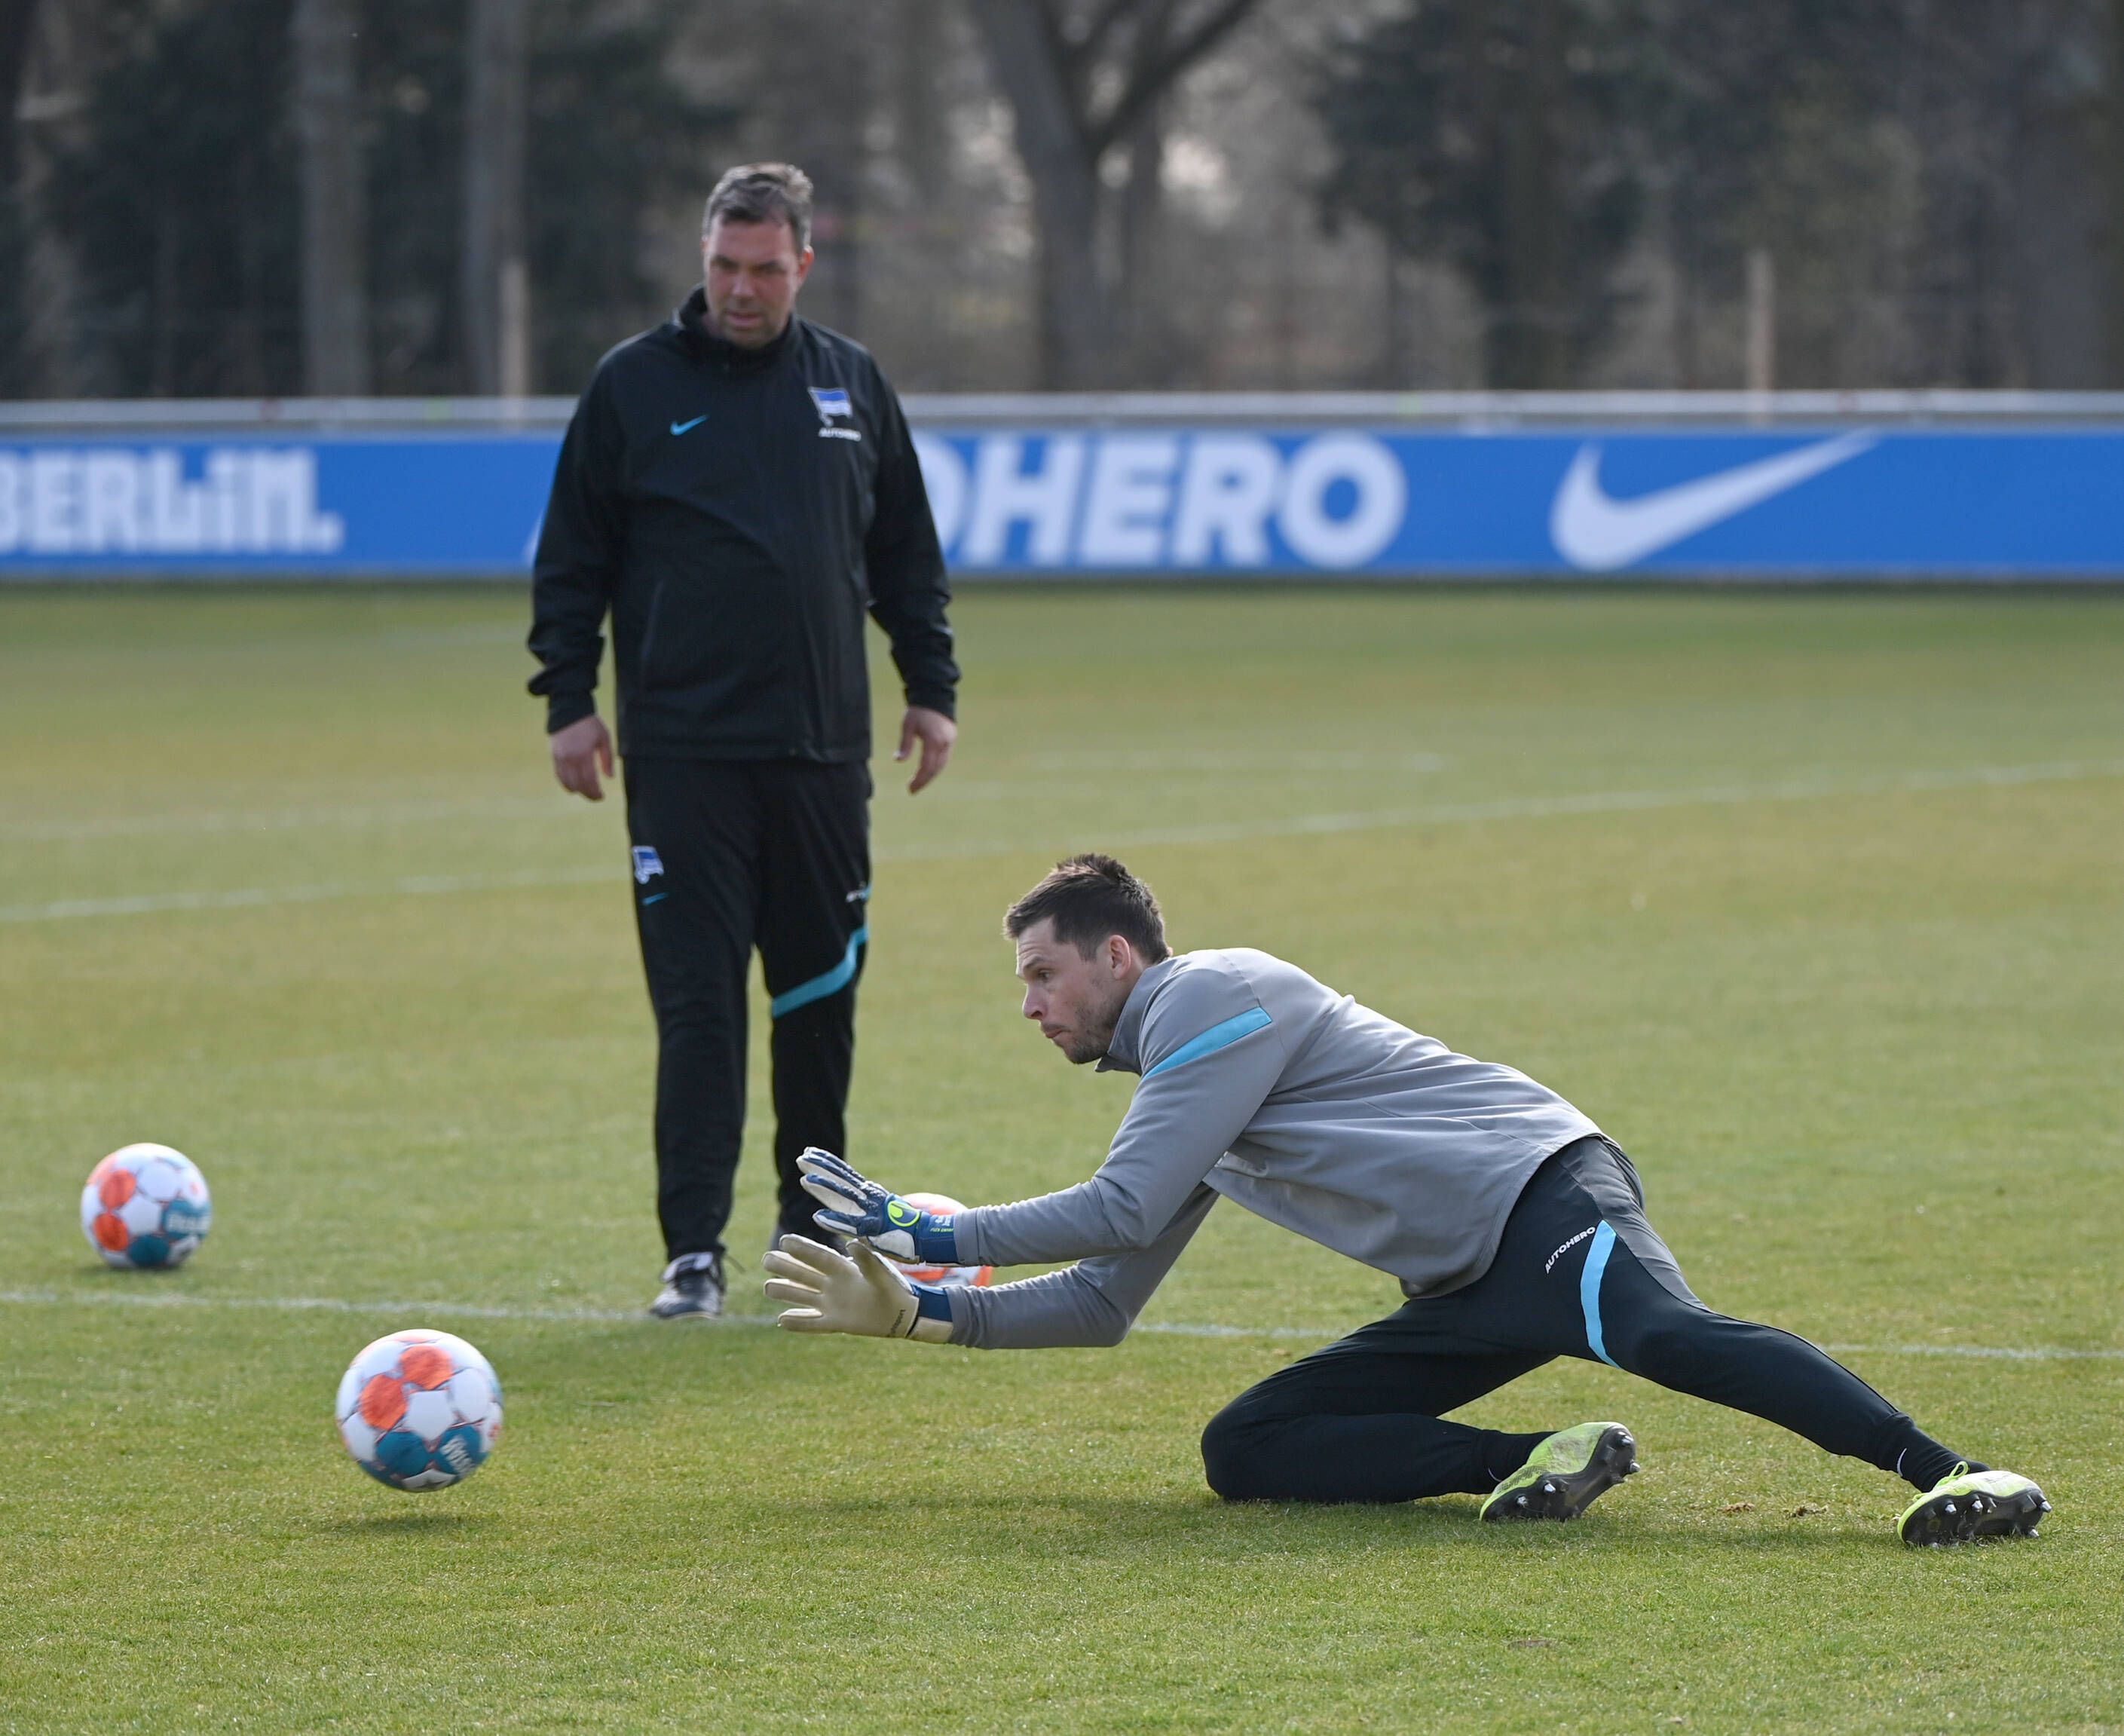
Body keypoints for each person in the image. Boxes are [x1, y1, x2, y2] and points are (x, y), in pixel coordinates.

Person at [762, 853, 2050, 1547]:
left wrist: (931, 1235)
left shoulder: (1212, 997)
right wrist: (921, 1314)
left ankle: (1954, 1475)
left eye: (1044, 974)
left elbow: (1117, 1203)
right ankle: (1533, 1463)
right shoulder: (1182, 1087)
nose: (1032, 1006)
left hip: (1538, 1192)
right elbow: (1105, 1299)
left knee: (1665, 1335)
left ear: (1118, 955)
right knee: (1247, 1448)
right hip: (1466, 1285)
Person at [528, 162, 959, 1321]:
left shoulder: (851, 384)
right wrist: (568, 699)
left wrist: (930, 687)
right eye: (723, 266)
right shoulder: (631, 386)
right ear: (704, 258)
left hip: (822, 756)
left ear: (801, 264)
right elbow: (571, 557)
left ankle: (808, 1234)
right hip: (680, 761)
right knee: (700, 1008)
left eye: (764, 269)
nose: (741, 289)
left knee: (817, 1001)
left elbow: (906, 554)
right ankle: (692, 1255)